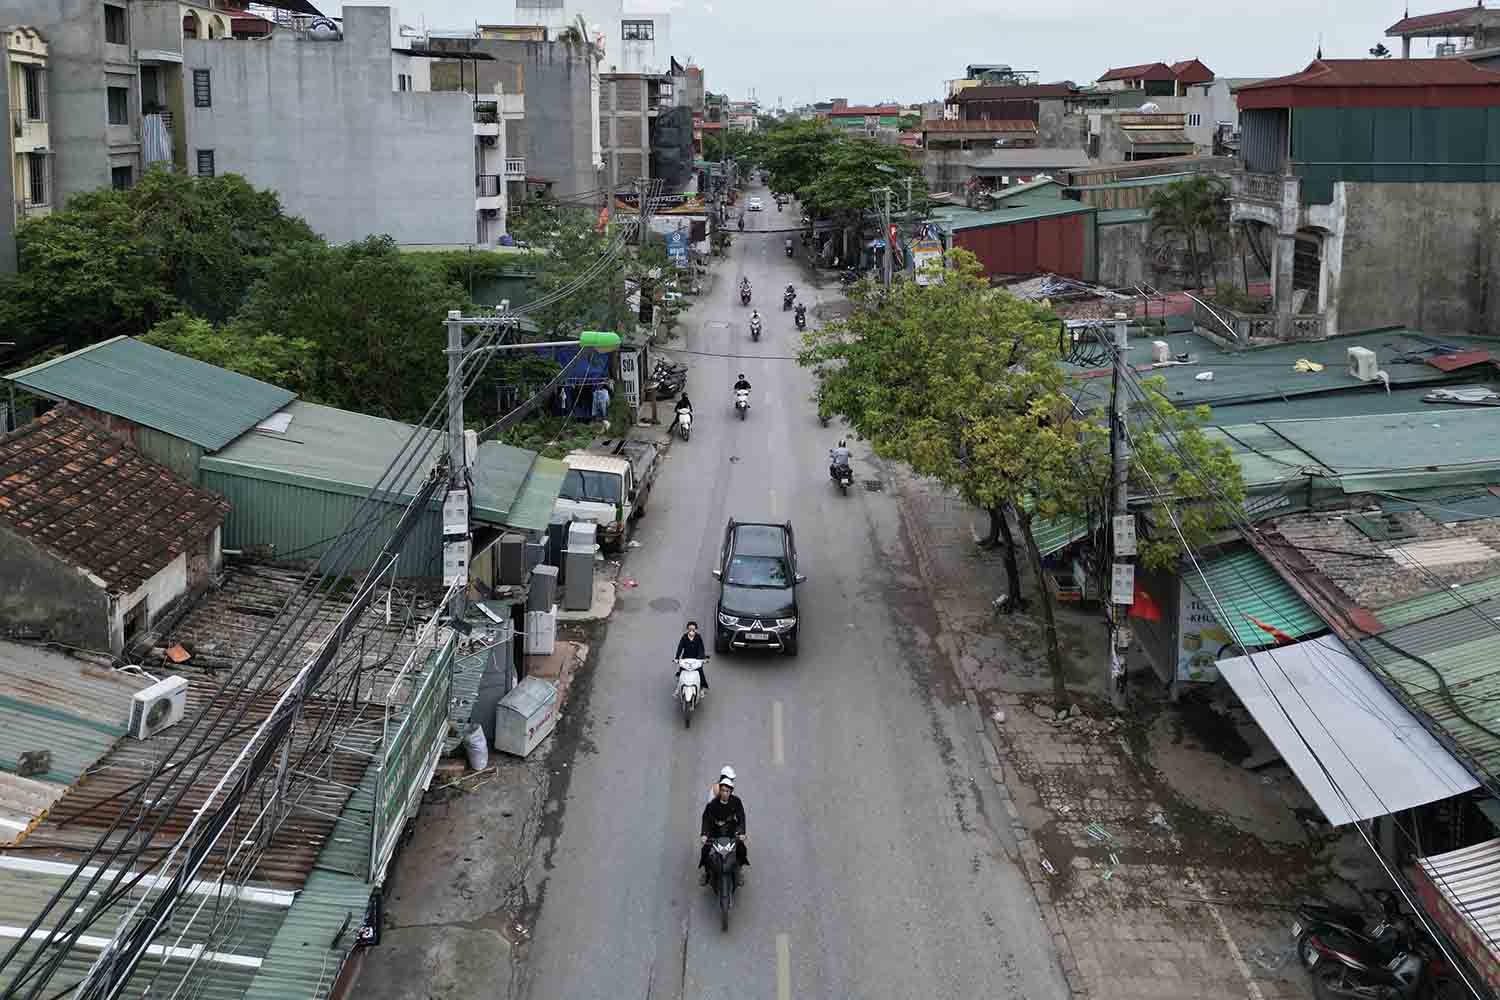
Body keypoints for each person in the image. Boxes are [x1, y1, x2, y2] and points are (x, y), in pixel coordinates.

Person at [699, 766, 748, 885]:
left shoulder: (735, 799)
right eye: (723, 790)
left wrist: (741, 832)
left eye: (728, 791)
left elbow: (741, 815)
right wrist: (704, 834)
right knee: (705, 849)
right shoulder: (714, 797)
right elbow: (706, 817)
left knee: (741, 847)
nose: (725, 793)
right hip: (715, 827)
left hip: (730, 827)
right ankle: (707, 873)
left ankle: (739, 869)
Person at [674, 620, 709, 691]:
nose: (691, 631)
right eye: (690, 629)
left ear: (696, 630)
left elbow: (701, 648)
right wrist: (677, 658)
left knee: (700, 672)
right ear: (687, 629)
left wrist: (702, 658)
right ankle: (678, 689)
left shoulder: (698, 637)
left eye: (693, 629)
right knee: (681, 671)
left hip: (696, 659)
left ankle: (703, 687)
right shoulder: (684, 637)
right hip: (686, 658)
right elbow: (680, 648)